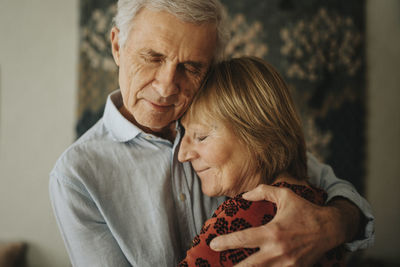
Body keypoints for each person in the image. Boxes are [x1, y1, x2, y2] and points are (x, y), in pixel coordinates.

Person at [49, 0, 374, 266]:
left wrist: (329, 225)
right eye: (153, 57)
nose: (166, 86)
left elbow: (340, 196)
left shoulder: (232, 118)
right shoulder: (76, 175)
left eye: (191, 67)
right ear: (118, 46)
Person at [177, 56, 346, 266]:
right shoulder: (318, 201)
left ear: (259, 136)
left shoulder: (237, 222)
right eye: (182, 134)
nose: (182, 154)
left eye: (201, 136)